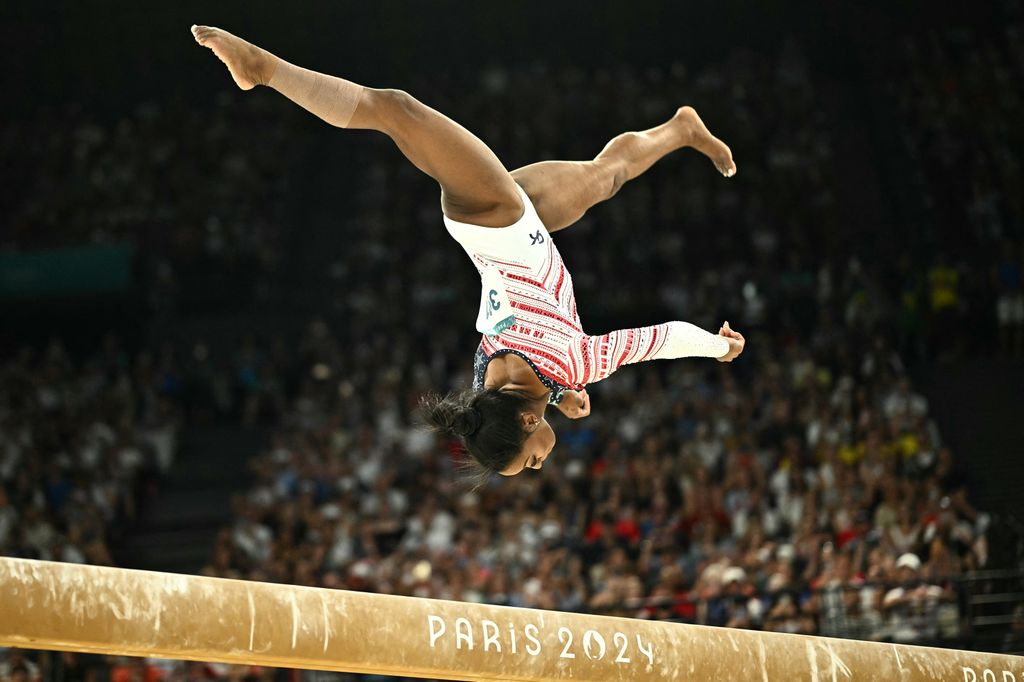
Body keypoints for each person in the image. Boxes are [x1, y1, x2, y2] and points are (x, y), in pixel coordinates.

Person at [192, 25, 745, 478]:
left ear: (528, 425)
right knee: (606, 177)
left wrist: (718, 352)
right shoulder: (489, 381)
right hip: (522, 224)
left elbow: (662, 341)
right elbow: (521, 382)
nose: (537, 468)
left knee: (394, 110)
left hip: (493, 217)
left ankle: (263, 69)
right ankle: (680, 128)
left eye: (528, 463)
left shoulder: (575, 364)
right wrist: (558, 397)